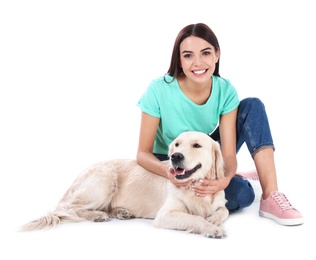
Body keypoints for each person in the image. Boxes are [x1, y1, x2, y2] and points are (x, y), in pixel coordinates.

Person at [136, 23, 303, 226]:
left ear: (217, 54)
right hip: (171, 162)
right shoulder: (158, 89)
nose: (197, 63)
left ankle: (270, 195)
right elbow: (143, 154)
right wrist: (169, 173)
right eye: (188, 55)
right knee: (242, 194)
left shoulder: (225, 90)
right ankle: (235, 175)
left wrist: (224, 179)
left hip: (204, 151)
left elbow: (229, 154)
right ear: (179, 60)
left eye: (205, 53)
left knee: (253, 105)